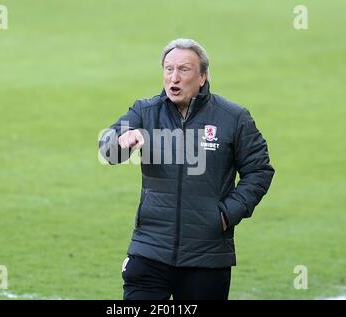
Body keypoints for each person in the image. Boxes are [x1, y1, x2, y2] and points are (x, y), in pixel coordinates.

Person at [98, 38, 275, 300]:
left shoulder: (232, 118)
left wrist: (225, 215)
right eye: (168, 69)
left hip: (206, 257)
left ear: (202, 76)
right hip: (149, 250)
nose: (174, 78)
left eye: (184, 70)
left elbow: (259, 170)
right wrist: (120, 141)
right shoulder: (145, 112)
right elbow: (108, 151)